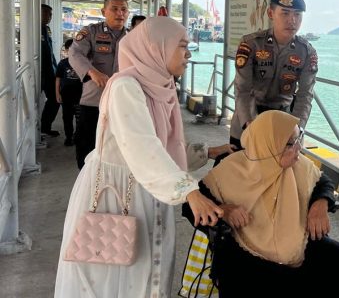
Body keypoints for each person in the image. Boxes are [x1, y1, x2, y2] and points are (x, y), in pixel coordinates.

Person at [55, 17, 233, 297]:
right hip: (118, 192)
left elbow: (164, 146)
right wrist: (189, 191)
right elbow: (142, 146)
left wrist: (208, 152)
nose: (188, 54)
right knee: (115, 271)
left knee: (143, 269)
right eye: (181, 46)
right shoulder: (126, 86)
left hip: (148, 187)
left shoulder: (162, 87)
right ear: (156, 48)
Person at [183, 110, 339, 297]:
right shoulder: (229, 170)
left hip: (298, 242)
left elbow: (323, 182)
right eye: (291, 143)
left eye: (299, 138)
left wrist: (320, 204)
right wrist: (223, 210)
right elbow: (190, 206)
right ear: (270, 145)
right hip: (246, 252)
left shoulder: (299, 164)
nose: (299, 147)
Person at [230, 0, 318, 148]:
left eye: (297, 14)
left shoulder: (306, 52)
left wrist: (297, 127)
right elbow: (242, 89)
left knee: (286, 164)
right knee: (240, 163)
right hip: (249, 117)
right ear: (271, 13)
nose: (292, 20)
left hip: (284, 122)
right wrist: (249, 123)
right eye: (285, 13)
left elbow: (305, 94)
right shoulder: (251, 45)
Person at [69, 0, 129, 169]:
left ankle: (110, 178)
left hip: (122, 102)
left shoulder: (133, 36)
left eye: (124, 9)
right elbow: (75, 53)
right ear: (104, 12)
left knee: (119, 145)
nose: (120, 13)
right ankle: (85, 176)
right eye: (114, 9)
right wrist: (92, 72)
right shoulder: (91, 32)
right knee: (86, 143)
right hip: (94, 100)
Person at [55, 39, 82, 146]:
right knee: (67, 117)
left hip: (80, 95)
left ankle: (78, 136)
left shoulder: (83, 63)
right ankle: (69, 137)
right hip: (66, 95)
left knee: (80, 118)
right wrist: (57, 93)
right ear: (66, 50)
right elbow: (58, 79)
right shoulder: (62, 64)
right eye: (70, 49)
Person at [40, 4, 60, 137]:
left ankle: (45, 127)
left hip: (49, 72)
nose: (49, 17)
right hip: (38, 72)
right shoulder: (31, 28)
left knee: (55, 99)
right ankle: (42, 128)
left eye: (50, 14)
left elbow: (50, 52)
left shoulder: (46, 29)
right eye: (46, 13)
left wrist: (56, 68)